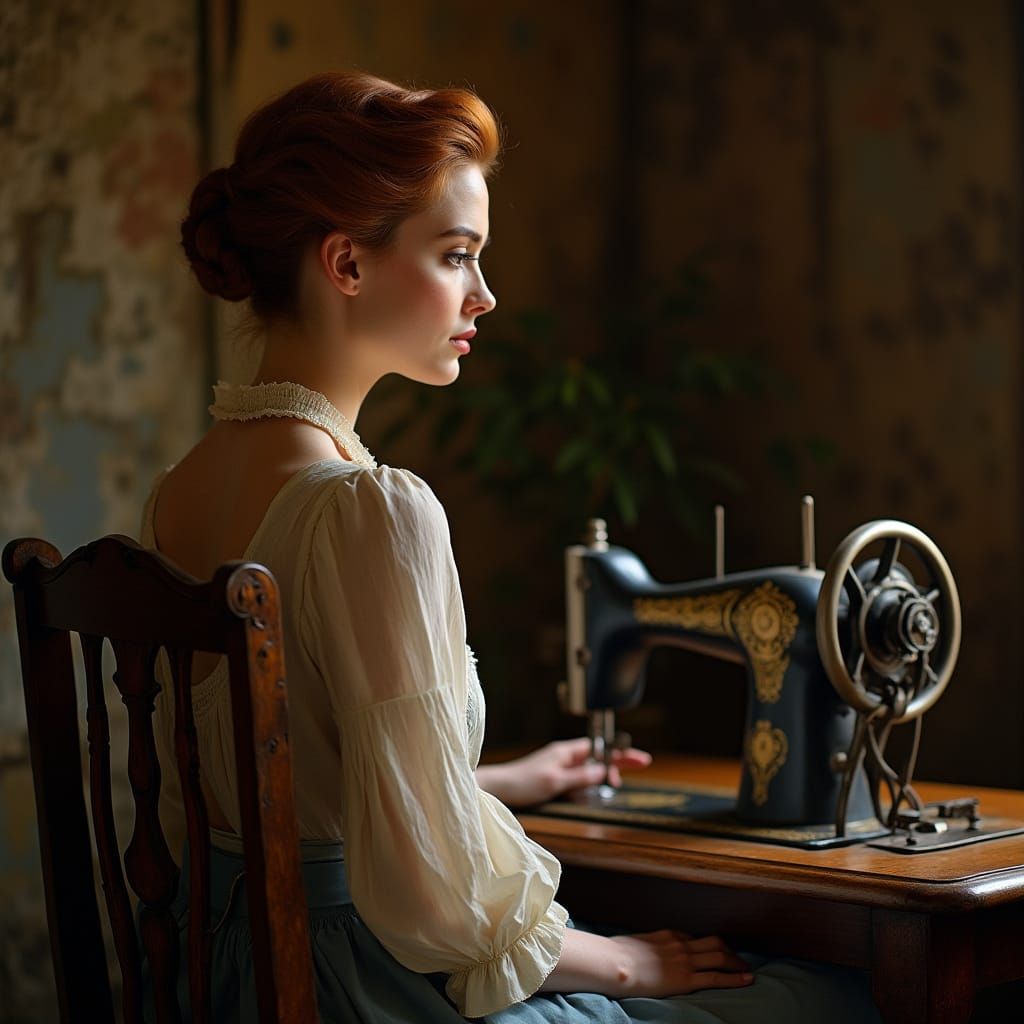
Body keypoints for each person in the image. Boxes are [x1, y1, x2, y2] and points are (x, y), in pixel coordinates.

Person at [142, 71, 880, 1022]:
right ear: (347, 265)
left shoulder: (180, 492)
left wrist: (493, 780)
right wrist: (625, 964)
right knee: (828, 1001)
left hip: (217, 983)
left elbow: (276, 792)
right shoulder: (371, 509)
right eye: (456, 256)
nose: (484, 295)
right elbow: (432, 898)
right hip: (354, 989)